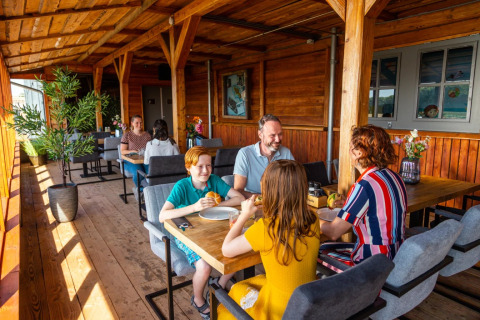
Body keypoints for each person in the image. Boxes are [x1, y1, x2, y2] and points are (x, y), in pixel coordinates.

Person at [219, 160, 320, 319]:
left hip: (279, 311)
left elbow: (226, 249)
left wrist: (244, 214)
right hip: (309, 304)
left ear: (270, 191)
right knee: (258, 281)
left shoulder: (266, 228)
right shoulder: (313, 219)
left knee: (236, 290)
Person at [159, 146, 245, 320]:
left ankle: (217, 287)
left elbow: (240, 198)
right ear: (188, 167)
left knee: (239, 252)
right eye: (200, 166)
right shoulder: (182, 186)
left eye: (209, 165)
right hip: (187, 233)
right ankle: (197, 299)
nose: (206, 170)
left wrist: (215, 206)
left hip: (213, 230)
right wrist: (195, 207)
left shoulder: (214, 180)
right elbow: (162, 216)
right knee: (204, 266)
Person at [319, 125, 407, 271]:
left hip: (372, 265)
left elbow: (333, 232)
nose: (349, 151)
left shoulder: (364, 185)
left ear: (359, 152)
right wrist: (349, 203)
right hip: (397, 256)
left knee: (322, 248)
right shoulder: (395, 177)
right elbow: (378, 208)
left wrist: (311, 217)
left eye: (350, 147)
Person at [233, 114, 294, 198]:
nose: (277, 139)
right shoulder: (245, 154)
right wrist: (265, 199)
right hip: (253, 204)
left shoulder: (286, 153)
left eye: (280, 134)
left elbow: (294, 184)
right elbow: (238, 191)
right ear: (260, 135)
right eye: (272, 135)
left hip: (281, 202)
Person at [120, 115, 152, 188]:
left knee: (151, 172)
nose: (139, 125)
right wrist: (133, 151)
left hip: (144, 159)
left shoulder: (147, 135)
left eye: (141, 123)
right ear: (132, 123)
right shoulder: (127, 135)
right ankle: (140, 190)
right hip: (130, 160)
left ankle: (148, 190)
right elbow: (122, 151)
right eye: (137, 123)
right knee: (138, 173)